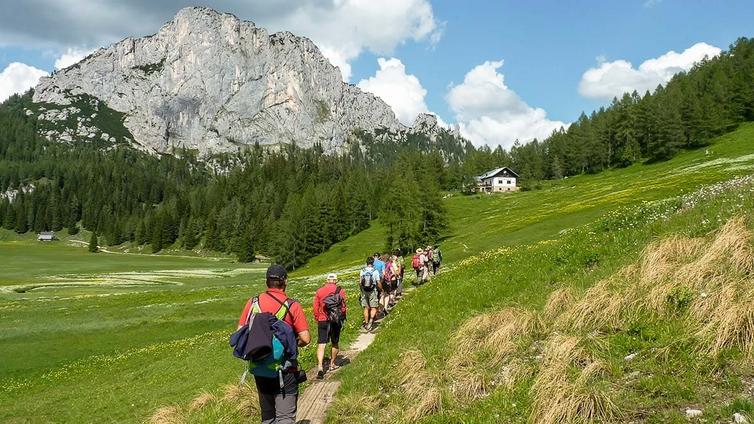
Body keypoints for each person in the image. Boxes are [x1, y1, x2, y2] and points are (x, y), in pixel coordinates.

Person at [236, 265, 310, 424]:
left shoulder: (253, 302)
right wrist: (289, 343)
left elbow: (240, 331)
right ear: (285, 282)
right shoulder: (292, 306)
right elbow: (306, 338)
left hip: (260, 367)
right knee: (284, 417)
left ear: (267, 282)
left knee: (268, 416)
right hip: (286, 369)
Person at [312, 273, 347, 379]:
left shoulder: (319, 291)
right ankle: (332, 364)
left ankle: (320, 367)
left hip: (323, 320)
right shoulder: (341, 291)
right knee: (335, 343)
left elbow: (315, 306)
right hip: (335, 320)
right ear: (336, 280)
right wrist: (342, 317)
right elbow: (343, 307)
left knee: (321, 344)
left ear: (326, 280)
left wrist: (317, 317)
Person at [360, 257, 381, 331]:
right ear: (373, 263)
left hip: (364, 291)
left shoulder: (362, 270)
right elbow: (378, 282)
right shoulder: (375, 271)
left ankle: (366, 323)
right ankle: (371, 321)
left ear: (366, 262)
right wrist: (380, 290)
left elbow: (360, 282)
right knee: (373, 307)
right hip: (372, 291)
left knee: (366, 308)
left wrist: (361, 291)